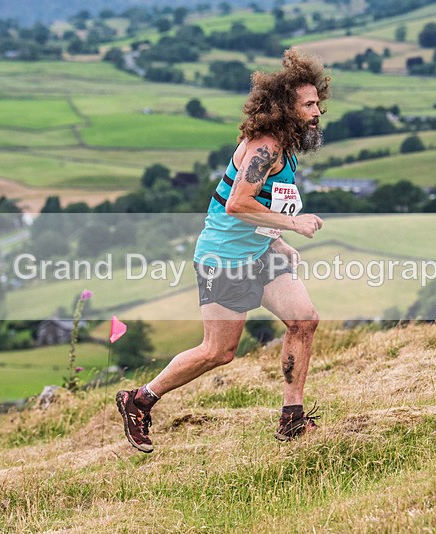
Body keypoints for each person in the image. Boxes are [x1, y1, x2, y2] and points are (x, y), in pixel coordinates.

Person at [116, 47, 330, 453]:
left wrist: (277, 242)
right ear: (287, 107)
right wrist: (293, 225)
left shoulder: (286, 149)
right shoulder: (264, 147)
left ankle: (292, 420)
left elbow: (264, 203)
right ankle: (139, 400)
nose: (318, 111)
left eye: (318, 102)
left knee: (304, 321)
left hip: (259, 254)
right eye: (309, 104)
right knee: (218, 352)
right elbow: (237, 204)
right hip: (225, 259)